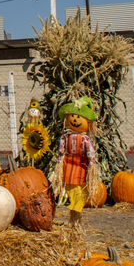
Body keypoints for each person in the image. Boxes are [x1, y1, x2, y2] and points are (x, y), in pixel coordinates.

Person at [50, 96, 100, 227]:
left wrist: (92, 166)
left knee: (79, 190)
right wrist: (59, 163)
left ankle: (76, 218)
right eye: (73, 116)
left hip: (81, 166)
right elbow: (61, 151)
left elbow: (90, 154)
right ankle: (74, 218)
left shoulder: (85, 139)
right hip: (69, 166)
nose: (75, 120)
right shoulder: (65, 137)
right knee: (71, 189)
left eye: (79, 117)